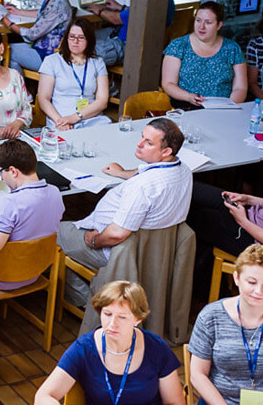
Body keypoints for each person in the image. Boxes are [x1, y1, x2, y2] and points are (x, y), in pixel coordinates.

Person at [57, 118, 192, 307]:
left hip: (118, 253)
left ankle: (87, 302)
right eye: (142, 137)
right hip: (155, 254)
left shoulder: (142, 187)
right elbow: (151, 174)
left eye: (148, 142)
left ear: (166, 151)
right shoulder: (184, 171)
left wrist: (94, 241)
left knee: (52, 232)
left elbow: (116, 234)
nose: (139, 144)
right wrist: (121, 173)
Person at [34, 281, 185, 405]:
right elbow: (43, 396)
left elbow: (174, 402)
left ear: (138, 319)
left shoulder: (157, 348)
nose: (112, 324)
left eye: (122, 317)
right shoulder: (84, 349)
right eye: (107, 314)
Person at [189, 245, 263, 405]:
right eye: (251, 282)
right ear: (237, 278)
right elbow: (197, 375)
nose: (258, 291)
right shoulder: (211, 316)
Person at [188, 126, 263, 261]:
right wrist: (248, 199)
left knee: (192, 214)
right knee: (194, 190)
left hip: (255, 242)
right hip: (253, 218)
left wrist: (242, 220)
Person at [0, 140, 64, 290]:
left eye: (1, 172)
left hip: (2, 277)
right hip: (36, 271)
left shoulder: (11, 202)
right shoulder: (55, 192)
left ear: (13, 171)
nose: (1, 178)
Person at [162, 1, 247, 109]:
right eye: (198, 20)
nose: (201, 27)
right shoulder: (179, 45)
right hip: (186, 107)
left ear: (219, 25)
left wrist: (228, 105)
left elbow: (240, 88)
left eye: (208, 22)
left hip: (223, 108)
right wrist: (189, 97)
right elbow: (168, 84)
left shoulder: (232, 48)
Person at [1, 0, 73, 75]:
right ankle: (21, 84)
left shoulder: (56, 6)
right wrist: (18, 11)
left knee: (5, 50)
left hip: (48, 55)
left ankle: (20, 85)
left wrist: (8, 23)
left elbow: (31, 34)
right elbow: (43, 13)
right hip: (45, 48)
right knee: (12, 61)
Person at [38, 19, 111, 130]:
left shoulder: (98, 63)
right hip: (60, 119)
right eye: (72, 37)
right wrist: (60, 121)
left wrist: (76, 117)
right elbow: (43, 99)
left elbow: (102, 101)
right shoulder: (52, 61)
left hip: (90, 118)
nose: (75, 41)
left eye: (81, 38)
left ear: (89, 40)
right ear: (66, 38)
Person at [88, 0, 176, 67]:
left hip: (128, 47)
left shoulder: (149, 0)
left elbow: (115, 19)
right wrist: (121, 7)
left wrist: (100, 10)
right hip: (148, 47)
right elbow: (136, 13)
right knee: (86, 36)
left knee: (85, 48)